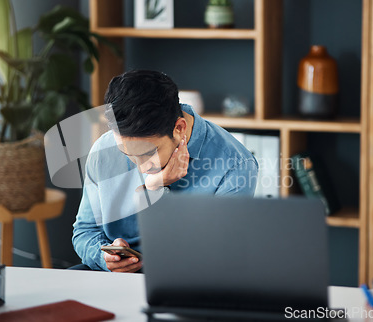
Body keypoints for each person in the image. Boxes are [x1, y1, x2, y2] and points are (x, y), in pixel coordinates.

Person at [72, 70, 258, 273]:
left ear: (179, 128)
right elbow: (85, 231)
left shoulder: (235, 166)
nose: (141, 167)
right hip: (113, 278)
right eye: (126, 153)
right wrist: (104, 258)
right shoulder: (103, 149)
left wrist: (154, 189)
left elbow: (216, 256)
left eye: (148, 153)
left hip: (186, 281)